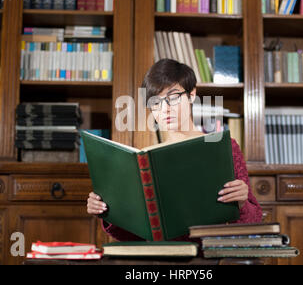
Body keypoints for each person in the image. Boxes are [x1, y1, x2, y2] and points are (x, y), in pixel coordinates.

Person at [87, 59, 262, 241]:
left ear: (191, 95)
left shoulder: (224, 147)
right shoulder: (145, 159)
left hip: (208, 254)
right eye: (155, 102)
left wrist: (241, 203)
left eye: (173, 98)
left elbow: (253, 221)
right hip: (160, 257)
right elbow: (132, 236)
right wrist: (107, 211)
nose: (165, 109)